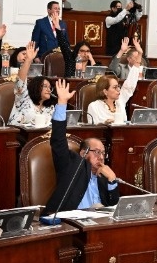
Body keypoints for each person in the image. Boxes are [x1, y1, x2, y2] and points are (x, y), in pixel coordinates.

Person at [42, 80, 120, 214]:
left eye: (103, 153)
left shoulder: (103, 175)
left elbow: (113, 204)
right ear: (83, 153)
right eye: (96, 152)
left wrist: (112, 180)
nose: (101, 157)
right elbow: (58, 141)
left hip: (98, 222)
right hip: (71, 222)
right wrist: (61, 103)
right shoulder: (72, 165)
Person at [8, 42, 55, 126]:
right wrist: (28, 60)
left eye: (50, 87)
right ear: (36, 87)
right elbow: (20, 82)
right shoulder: (24, 99)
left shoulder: (50, 108)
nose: (49, 90)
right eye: (45, 86)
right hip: (19, 135)